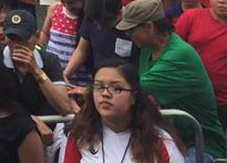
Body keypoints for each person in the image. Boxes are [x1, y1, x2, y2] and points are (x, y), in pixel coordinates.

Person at [115, 0, 225, 159]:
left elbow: (133, 88)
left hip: (200, 145)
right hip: (167, 139)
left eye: (131, 30)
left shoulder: (179, 54)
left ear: (149, 27)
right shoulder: (147, 50)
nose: (128, 34)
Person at [56, 59, 185, 163]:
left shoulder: (159, 140)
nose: (105, 94)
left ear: (134, 96)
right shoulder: (78, 134)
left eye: (116, 88)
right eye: (99, 87)